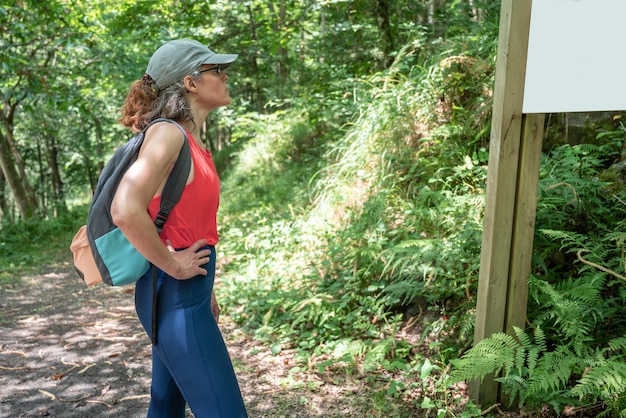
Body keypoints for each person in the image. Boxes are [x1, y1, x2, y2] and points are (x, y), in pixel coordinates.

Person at [111, 39, 248, 418]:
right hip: (173, 298)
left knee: (166, 406)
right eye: (215, 69)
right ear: (190, 82)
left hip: (185, 298)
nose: (224, 76)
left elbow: (185, 224)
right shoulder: (168, 134)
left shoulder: (192, 141)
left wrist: (205, 293)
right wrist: (174, 267)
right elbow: (125, 209)